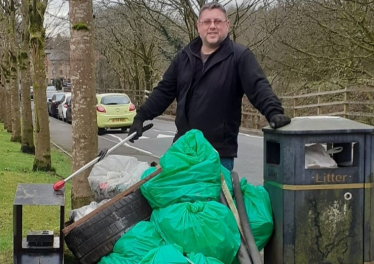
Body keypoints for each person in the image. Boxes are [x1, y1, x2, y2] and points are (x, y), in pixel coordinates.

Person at [128, 2, 291, 171]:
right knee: (174, 196)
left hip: (217, 155)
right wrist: (141, 116)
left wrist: (274, 112)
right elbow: (163, 91)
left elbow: (258, 87)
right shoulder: (184, 57)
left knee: (211, 198)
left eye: (217, 21)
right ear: (199, 26)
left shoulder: (239, 57)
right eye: (207, 22)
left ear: (227, 25)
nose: (212, 26)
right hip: (183, 149)